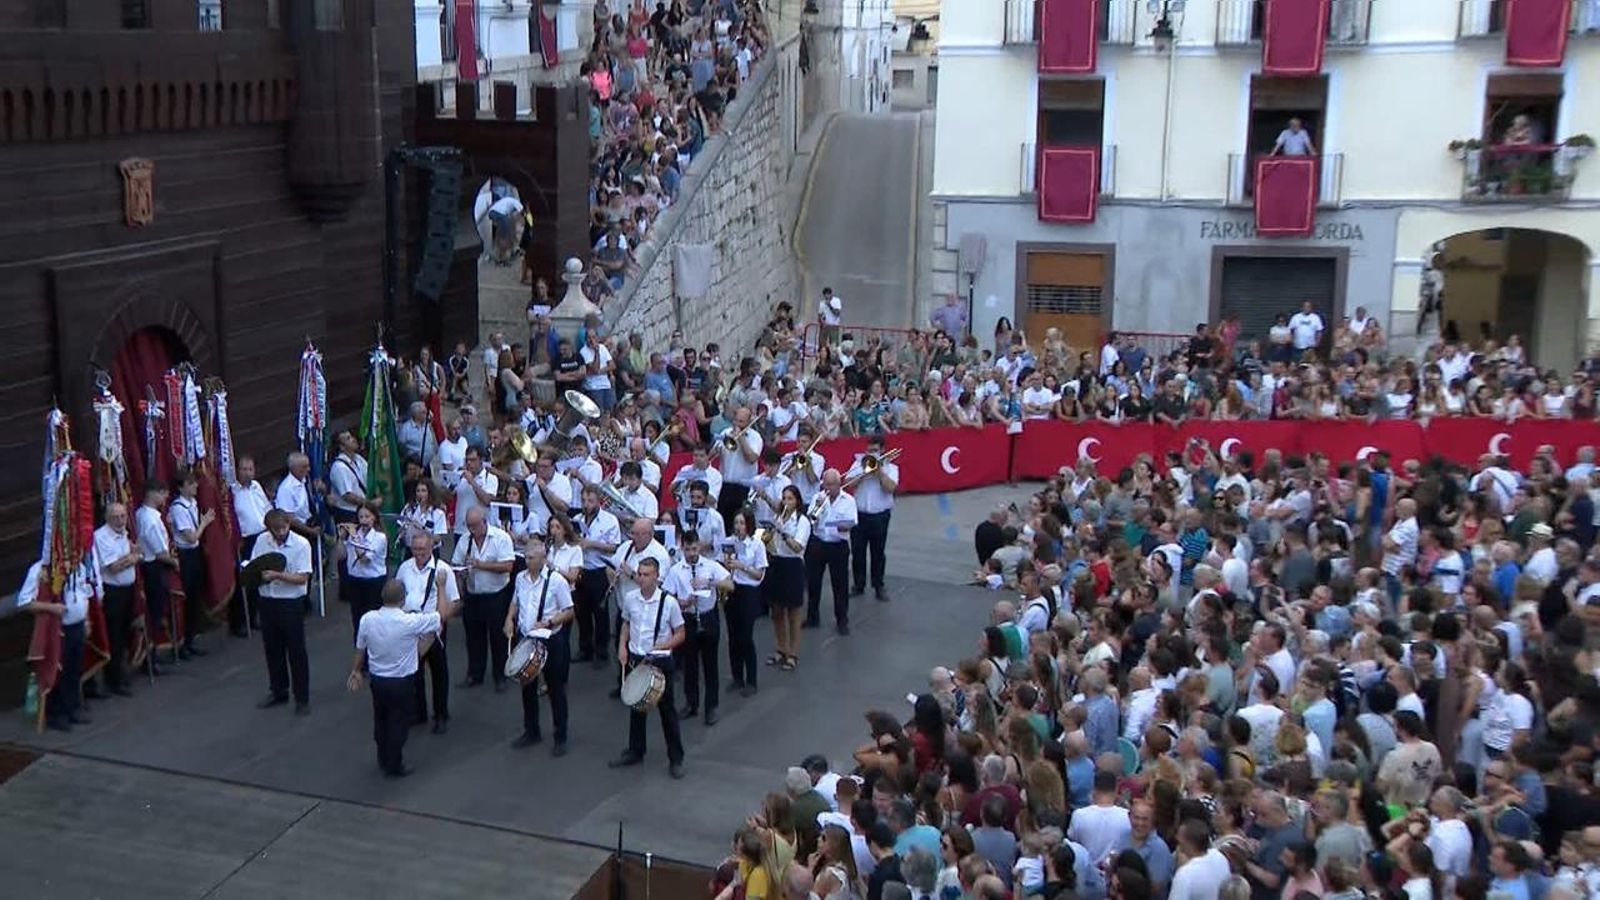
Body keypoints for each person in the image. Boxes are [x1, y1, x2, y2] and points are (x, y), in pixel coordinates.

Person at [349, 576, 460, 778]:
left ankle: (383, 757)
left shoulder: (368, 619)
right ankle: (395, 763)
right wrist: (442, 587)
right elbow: (442, 615)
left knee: (381, 719)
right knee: (398, 722)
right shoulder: (410, 622)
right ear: (403, 600)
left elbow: (360, 649)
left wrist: (356, 671)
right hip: (401, 681)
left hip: (378, 680)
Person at [609, 556, 687, 779]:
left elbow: (681, 633)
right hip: (636, 657)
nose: (641, 579)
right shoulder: (631, 598)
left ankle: (676, 758)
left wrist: (665, 644)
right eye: (639, 574)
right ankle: (636, 750)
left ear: (656, 577)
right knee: (636, 706)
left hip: (659, 661)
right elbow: (626, 623)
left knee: (667, 710)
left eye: (646, 575)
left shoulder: (668, 602)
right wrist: (622, 647)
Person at [505, 537, 575, 756]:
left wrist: (550, 622)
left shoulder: (557, 581)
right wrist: (509, 619)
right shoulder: (520, 578)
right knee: (527, 687)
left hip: (550, 639)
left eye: (532, 558)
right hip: (527, 638)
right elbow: (515, 602)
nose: (527, 561)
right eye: (526, 557)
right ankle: (531, 730)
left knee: (555, 689)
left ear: (543, 559)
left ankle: (560, 736)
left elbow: (569, 610)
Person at [17, 552, 98, 731]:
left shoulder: (78, 565)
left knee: (74, 668)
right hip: (56, 629)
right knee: (57, 670)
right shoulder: (40, 570)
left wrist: (86, 620)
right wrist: (51, 608)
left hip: (76, 625)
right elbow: (24, 602)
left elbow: (83, 594)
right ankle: (56, 714)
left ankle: (72, 708)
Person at [250, 509, 314, 714]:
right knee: (272, 649)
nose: (280, 533)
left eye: (283, 528)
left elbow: (303, 577)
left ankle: (302, 698)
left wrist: (277, 575)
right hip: (268, 600)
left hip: (290, 603)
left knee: (296, 651)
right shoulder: (262, 541)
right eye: (275, 530)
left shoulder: (301, 545)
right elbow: (254, 566)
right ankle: (278, 691)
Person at [666, 536, 733, 725]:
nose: (691, 554)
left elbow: (730, 585)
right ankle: (691, 703)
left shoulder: (710, 566)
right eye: (688, 550)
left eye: (694, 549)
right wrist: (683, 602)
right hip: (687, 618)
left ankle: (711, 707)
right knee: (690, 664)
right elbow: (668, 596)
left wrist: (710, 583)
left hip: (708, 616)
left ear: (699, 548)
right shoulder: (676, 570)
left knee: (710, 665)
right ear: (682, 548)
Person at [395, 531, 457, 733]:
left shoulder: (443, 570)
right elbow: (398, 595)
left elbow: (454, 601)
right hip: (410, 627)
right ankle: (418, 712)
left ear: (431, 548)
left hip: (433, 629)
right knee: (414, 672)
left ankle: (441, 714)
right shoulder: (405, 567)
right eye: (415, 549)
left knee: (439, 672)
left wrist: (441, 622)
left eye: (422, 549)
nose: (418, 553)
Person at [450, 507, 517, 691]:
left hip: (496, 595)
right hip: (473, 595)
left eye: (474, 526)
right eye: (469, 526)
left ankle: (500, 676)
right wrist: (460, 583)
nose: (472, 530)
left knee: (497, 637)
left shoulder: (501, 538)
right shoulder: (465, 540)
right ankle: (474, 674)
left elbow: (508, 565)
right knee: (473, 637)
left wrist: (481, 565)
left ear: (484, 522)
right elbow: (456, 563)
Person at [167, 470, 215, 659]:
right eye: (191, 484)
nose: (195, 486)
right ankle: (182, 643)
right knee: (188, 598)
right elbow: (191, 536)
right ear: (181, 487)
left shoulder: (193, 503)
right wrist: (204, 523)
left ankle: (191, 639)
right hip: (185, 554)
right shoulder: (179, 508)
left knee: (196, 597)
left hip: (195, 554)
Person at [845, 435, 898, 603]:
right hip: (860, 515)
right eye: (869, 451)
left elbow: (891, 488)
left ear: (882, 450)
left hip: (880, 515)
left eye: (875, 451)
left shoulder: (891, 468)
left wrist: (879, 472)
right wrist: (863, 473)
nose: (872, 454)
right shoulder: (858, 464)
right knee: (858, 552)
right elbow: (848, 484)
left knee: (878, 553)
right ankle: (858, 585)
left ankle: (878, 586)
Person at [93, 502, 139, 696]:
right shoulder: (101, 536)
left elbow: (131, 552)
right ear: (107, 518)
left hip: (128, 590)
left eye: (123, 516)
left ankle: (123, 671)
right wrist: (133, 558)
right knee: (115, 636)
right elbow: (113, 567)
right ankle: (114, 680)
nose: (121, 521)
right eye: (116, 517)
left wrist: (131, 555)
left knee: (127, 632)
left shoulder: (123, 532)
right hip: (113, 593)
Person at [575, 485, 623, 665]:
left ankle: (602, 652)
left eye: (590, 501)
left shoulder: (609, 520)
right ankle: (585, 648)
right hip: (581, 570)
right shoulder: (577, 519)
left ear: (599, 501)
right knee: (582, 612)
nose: (586, 505)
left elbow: (614, 547)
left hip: (599, 571)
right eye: (584, 501)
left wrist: (592, 544)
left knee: (600, 613)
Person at [805, 469, 857, 634]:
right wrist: (818, 509)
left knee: (840, 584)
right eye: (826, 484)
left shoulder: (848, 500)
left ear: (838, 484)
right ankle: (812, 617)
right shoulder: (817, 498)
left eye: (832, 484)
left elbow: (850, 523)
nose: (828, 488)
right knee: (813, 582)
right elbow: (810, 519)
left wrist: (834, 524)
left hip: (838, 545)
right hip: (818, 543)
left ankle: (842, 620)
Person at [134, 480, 179, 670]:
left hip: (151, 566)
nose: (164, 498)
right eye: (162, 493)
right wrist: (176, 563)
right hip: (154, 567)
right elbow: (160, 552)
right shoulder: (151, 519)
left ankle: (151, 654)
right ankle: (150, 657)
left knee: (155, 613)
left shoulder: (141, 514)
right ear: (153, 494)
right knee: (155, 613)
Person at [723, 509, 768, 697]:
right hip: (733, 588)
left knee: (746, 637)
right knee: (733, 636)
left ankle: (751, 680)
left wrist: (742, 566)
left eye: (742, 523)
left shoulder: (756, 545)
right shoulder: (730, 541)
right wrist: (727, 564)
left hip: (749, 591)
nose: (738, 527)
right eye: (736, 523)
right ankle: (737, 677)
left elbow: (759, 574)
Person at [230, 455, 272, 636]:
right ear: (237, 471)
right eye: (243, 469)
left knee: (258, 579)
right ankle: (238, 622)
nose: (247, 473)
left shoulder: (257, 487)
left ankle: (254, 616)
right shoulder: (232, 491)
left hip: (262, 535)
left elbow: (266, 508)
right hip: (245, 541)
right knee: (244, 580)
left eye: (250, 469)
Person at [338, 501, 389, 636]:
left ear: (374, 518)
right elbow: (341, 555)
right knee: (357, 619)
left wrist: (355, 537)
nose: (364, 520)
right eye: (361, 517)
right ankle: (360, 651)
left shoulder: (380, 537)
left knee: (373, 620)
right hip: (355, 580)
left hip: (374, 581)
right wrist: (341, 538)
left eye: (367, 517)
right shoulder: (354, 535)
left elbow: (365, 559)